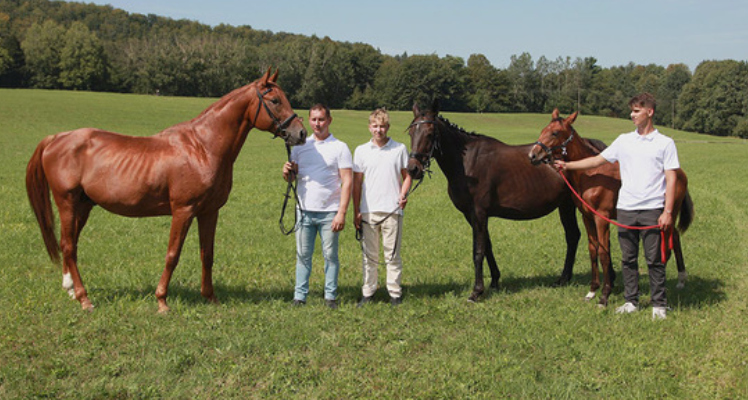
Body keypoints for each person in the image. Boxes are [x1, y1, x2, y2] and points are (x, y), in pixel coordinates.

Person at [555, 93, 679, 320]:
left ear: (649, 113)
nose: (632, 115)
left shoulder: (665, 143)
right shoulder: (624, 140)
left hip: (652, 208)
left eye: (636, 111)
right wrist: (568, 164)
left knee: (654, 259)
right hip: (626, 208)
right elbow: (596, 160)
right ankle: (631, 301)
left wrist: (667, 211)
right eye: (631, 111)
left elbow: (671, 178)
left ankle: (659, 304)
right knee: (628, 259)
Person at [282, 103, 352, 309]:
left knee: (330, 256)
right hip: (304, 210)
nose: (317, 123)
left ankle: (330, 296)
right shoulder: (300, 146)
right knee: (303, 255)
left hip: (330, 212)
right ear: (309, 120)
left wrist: (342, 212)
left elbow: (347, 181)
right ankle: (299, 296)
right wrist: (287, 173)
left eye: (321, 119)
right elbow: (293, 178)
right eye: (314, 119)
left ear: (329, 120)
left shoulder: (340, 147)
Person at [352, 108, 412, 307]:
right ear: (369, 127)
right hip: (368, 211)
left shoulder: (399, 149)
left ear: (388, 127)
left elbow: (407, 176)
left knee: (392, 255)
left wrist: (403, 194)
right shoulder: (361, 151)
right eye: (375, 126)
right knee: (370, 256)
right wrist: (356, 211)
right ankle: (368, 292)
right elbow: (357, 183)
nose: (379, 130)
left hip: (392, 211)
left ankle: (394, 293)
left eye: (383, 126)